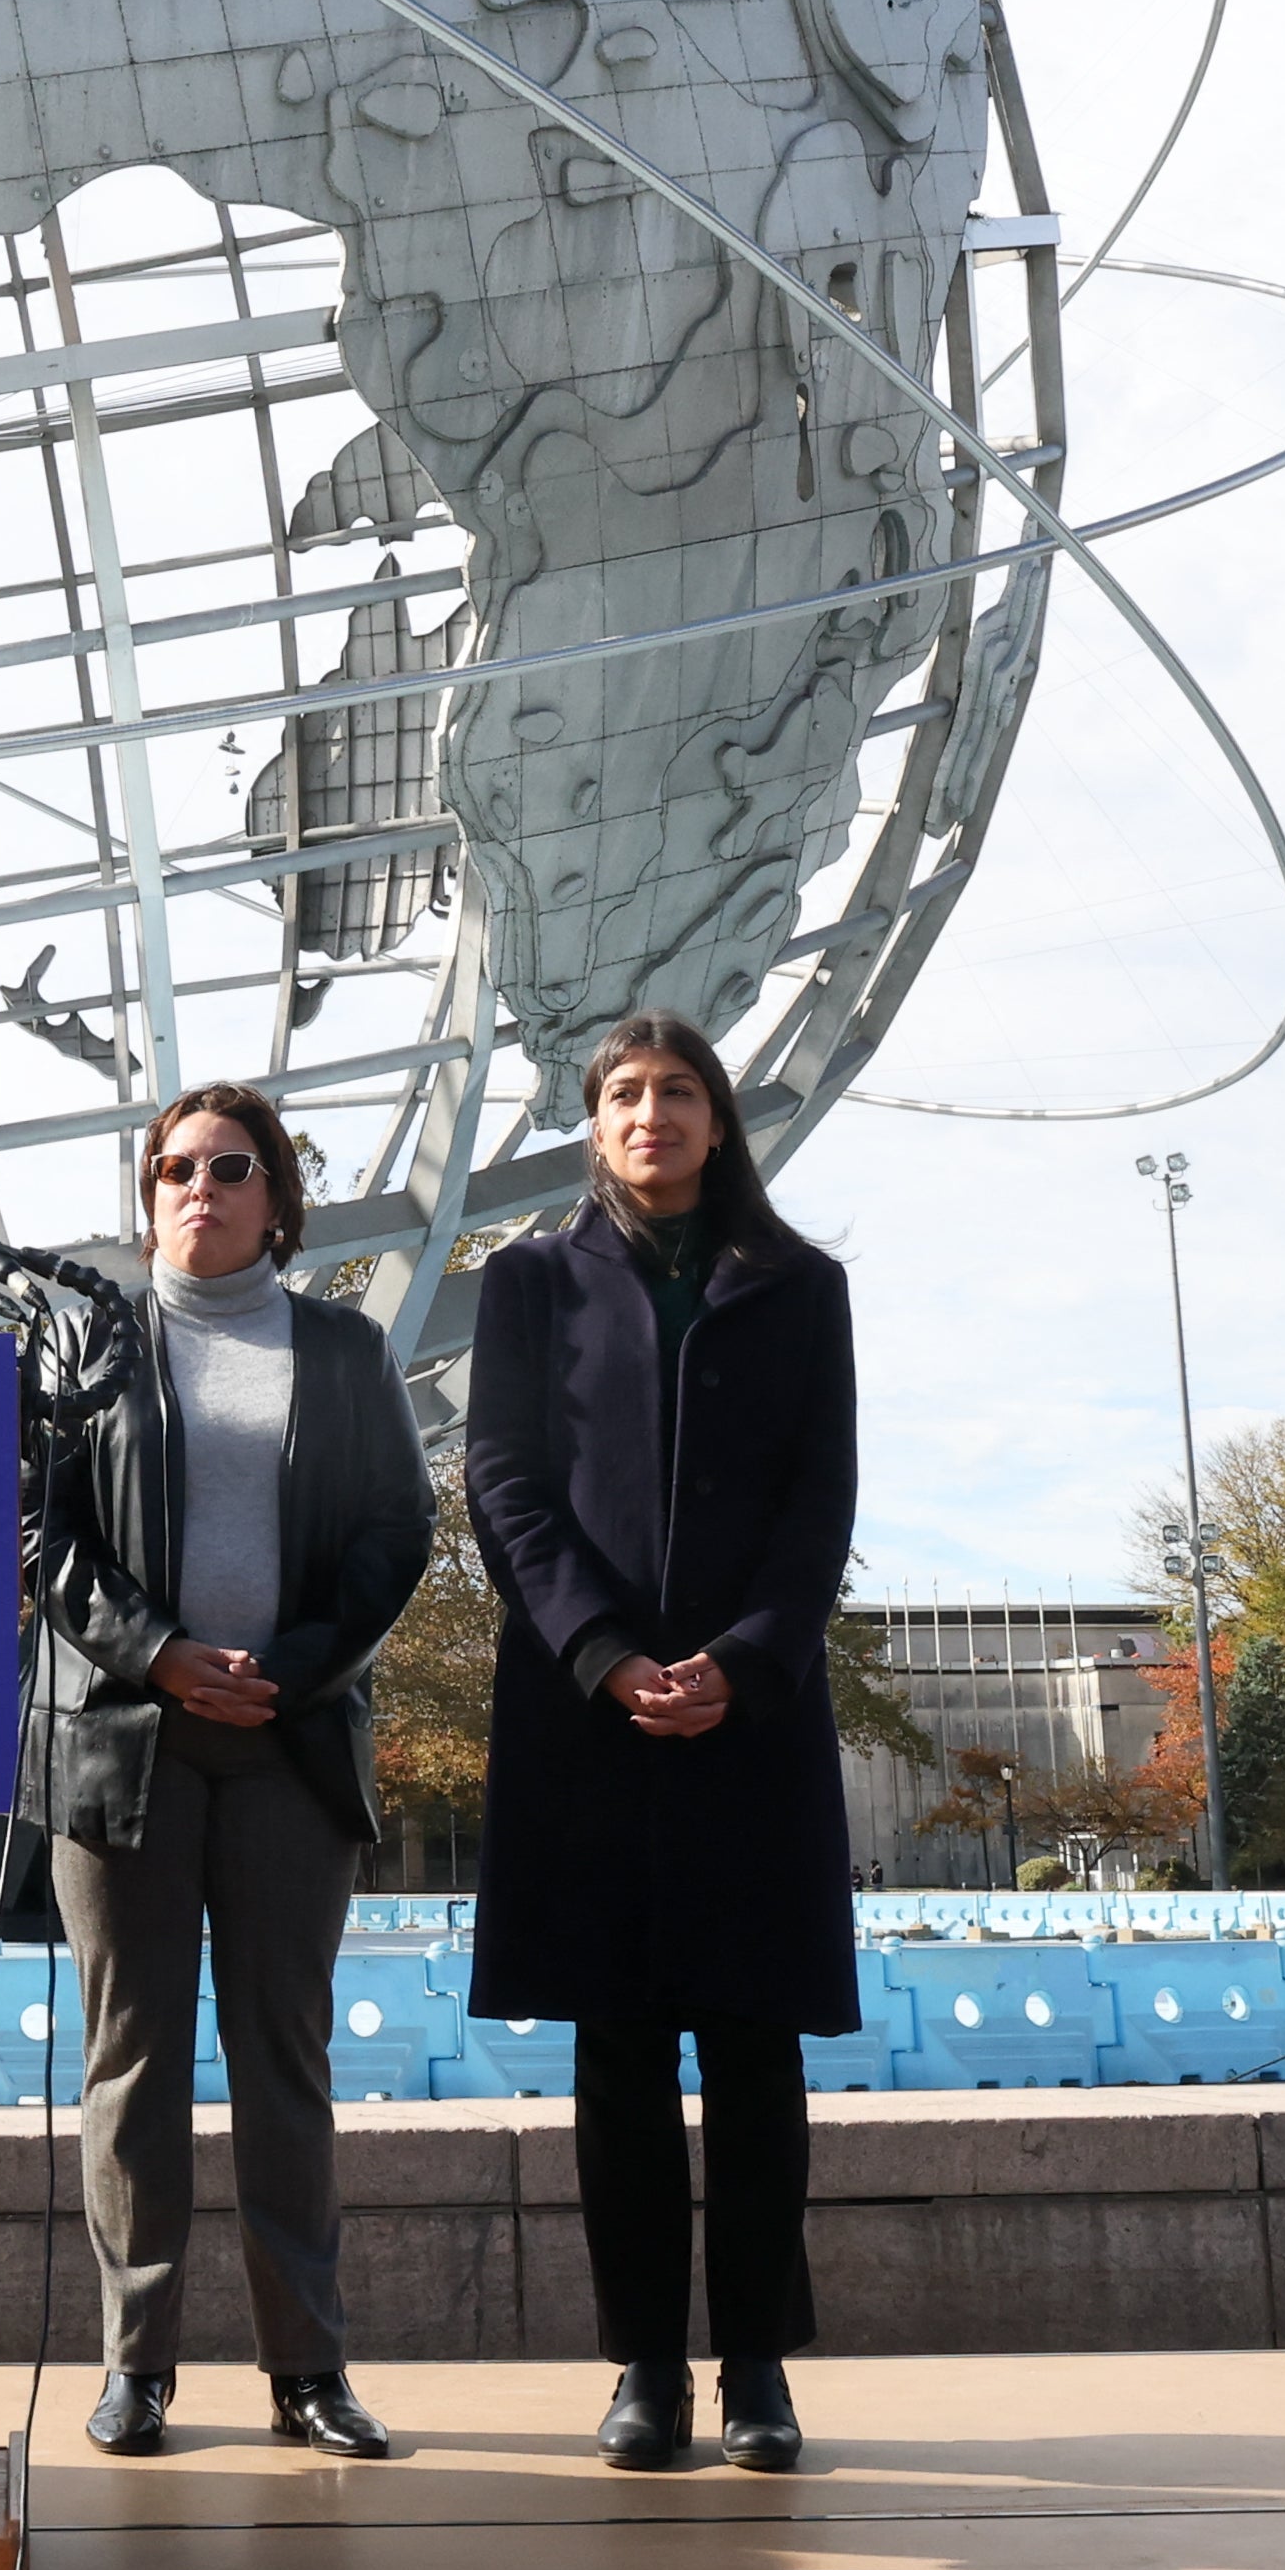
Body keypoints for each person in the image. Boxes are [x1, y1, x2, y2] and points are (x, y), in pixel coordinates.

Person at [457, 1011, 855, 2480]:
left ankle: (756, 2363)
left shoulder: (800, 1286)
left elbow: (822, 1502)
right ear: (593, 1123)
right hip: (589, 1718)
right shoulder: (527, 1283)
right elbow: (502, 1481)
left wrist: (741, 1663)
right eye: (623, 1093)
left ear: (716, 1115)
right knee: (617, 2052)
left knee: (753, 2048)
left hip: (748, 1721)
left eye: (676, 1089)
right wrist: (607, 1654)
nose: (650, 1112)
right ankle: (642, 2364)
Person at [25, 1085, 434, 2463]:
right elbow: (43, 1532)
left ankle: (306, 2370)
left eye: (232, 1166)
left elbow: (394, 1529)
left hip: (289, 1739)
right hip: (126, 1742)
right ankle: (136, 2367)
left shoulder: (341, 1348)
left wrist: (289, 1666)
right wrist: (158, 1652)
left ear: (278, 1198)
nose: (200, 1185)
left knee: (282, 2059)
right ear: (148, 1191)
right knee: (130, 2060)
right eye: (175, 1166)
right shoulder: (87, 1346)